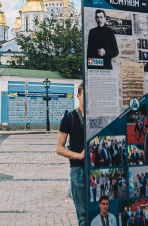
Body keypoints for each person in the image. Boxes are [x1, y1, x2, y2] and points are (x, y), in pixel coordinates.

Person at [57, 84, 87, 226]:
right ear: (78, 96)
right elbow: (59, 148)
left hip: (96, 170)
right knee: (83, 216)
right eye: (84, 94)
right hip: (78, 170)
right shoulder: (70, 118)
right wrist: (78, 156)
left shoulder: (97, 116)